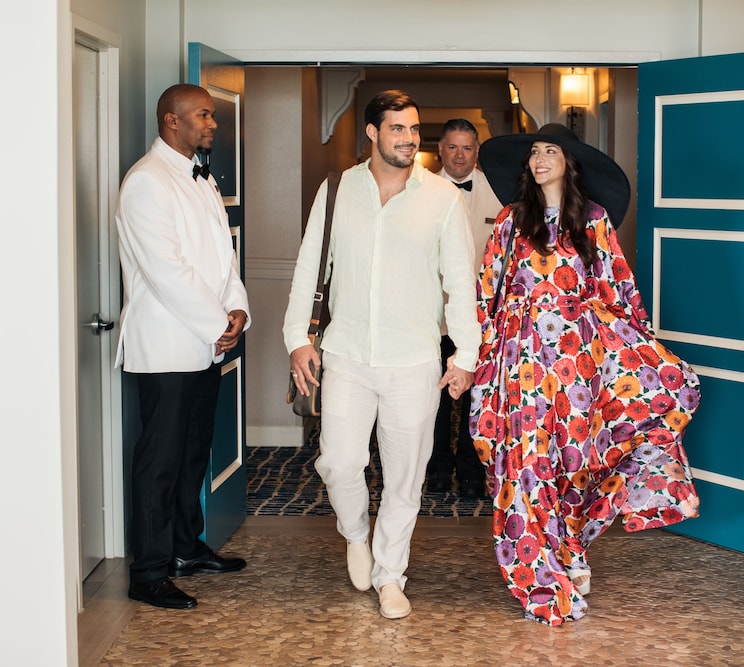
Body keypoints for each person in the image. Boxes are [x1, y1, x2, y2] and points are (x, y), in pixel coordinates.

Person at [470, 123, 701, 626]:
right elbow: (487, 293)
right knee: (527, 465)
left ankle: (571, 549)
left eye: (550, 151)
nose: (539, 159)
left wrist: (641, 354)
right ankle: (539, 572)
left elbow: (618, 292)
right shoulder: (510, 221)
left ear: (568, 163)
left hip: (578, 365)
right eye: (534, 152)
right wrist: (481, 359)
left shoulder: (593, 220)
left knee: (574, 461)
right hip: (520, 363)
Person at [283, 90, 480, 620]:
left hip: (414, 361)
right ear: (372, 133)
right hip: (345, 355)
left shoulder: (443, 197)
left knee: (404, 477)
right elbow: (309, 266)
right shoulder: (337, 189)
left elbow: (461, 282)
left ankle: (391, 575)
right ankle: (355, 534)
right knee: (337, 461)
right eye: (397, 128)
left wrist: (465, 354)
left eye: (414, 129)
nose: (409, 138)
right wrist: (297, 337)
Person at [115, 83, 252, 610]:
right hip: (167, 346)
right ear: (172, 120)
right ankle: (148, 573)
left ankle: (184, 548)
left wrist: (237, 309)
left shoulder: (202, 178)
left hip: (205, 343)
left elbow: (223, 257)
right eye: (203, 114)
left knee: (193, 452)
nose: (212, 123)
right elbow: (166, 271)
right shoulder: (146, 182)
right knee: (160, 461)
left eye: (212, 115)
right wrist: (218, 322)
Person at [428, 118, 504, 498]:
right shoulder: (421, 190)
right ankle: (438, 467)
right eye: (453, 147)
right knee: (436, 397)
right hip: (435, 313)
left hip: (484, 316)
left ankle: (473, 470)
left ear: (477, 152)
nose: (460, 155)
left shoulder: (499, 192)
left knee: (479, 396)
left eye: (467, 148)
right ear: (441, 149)